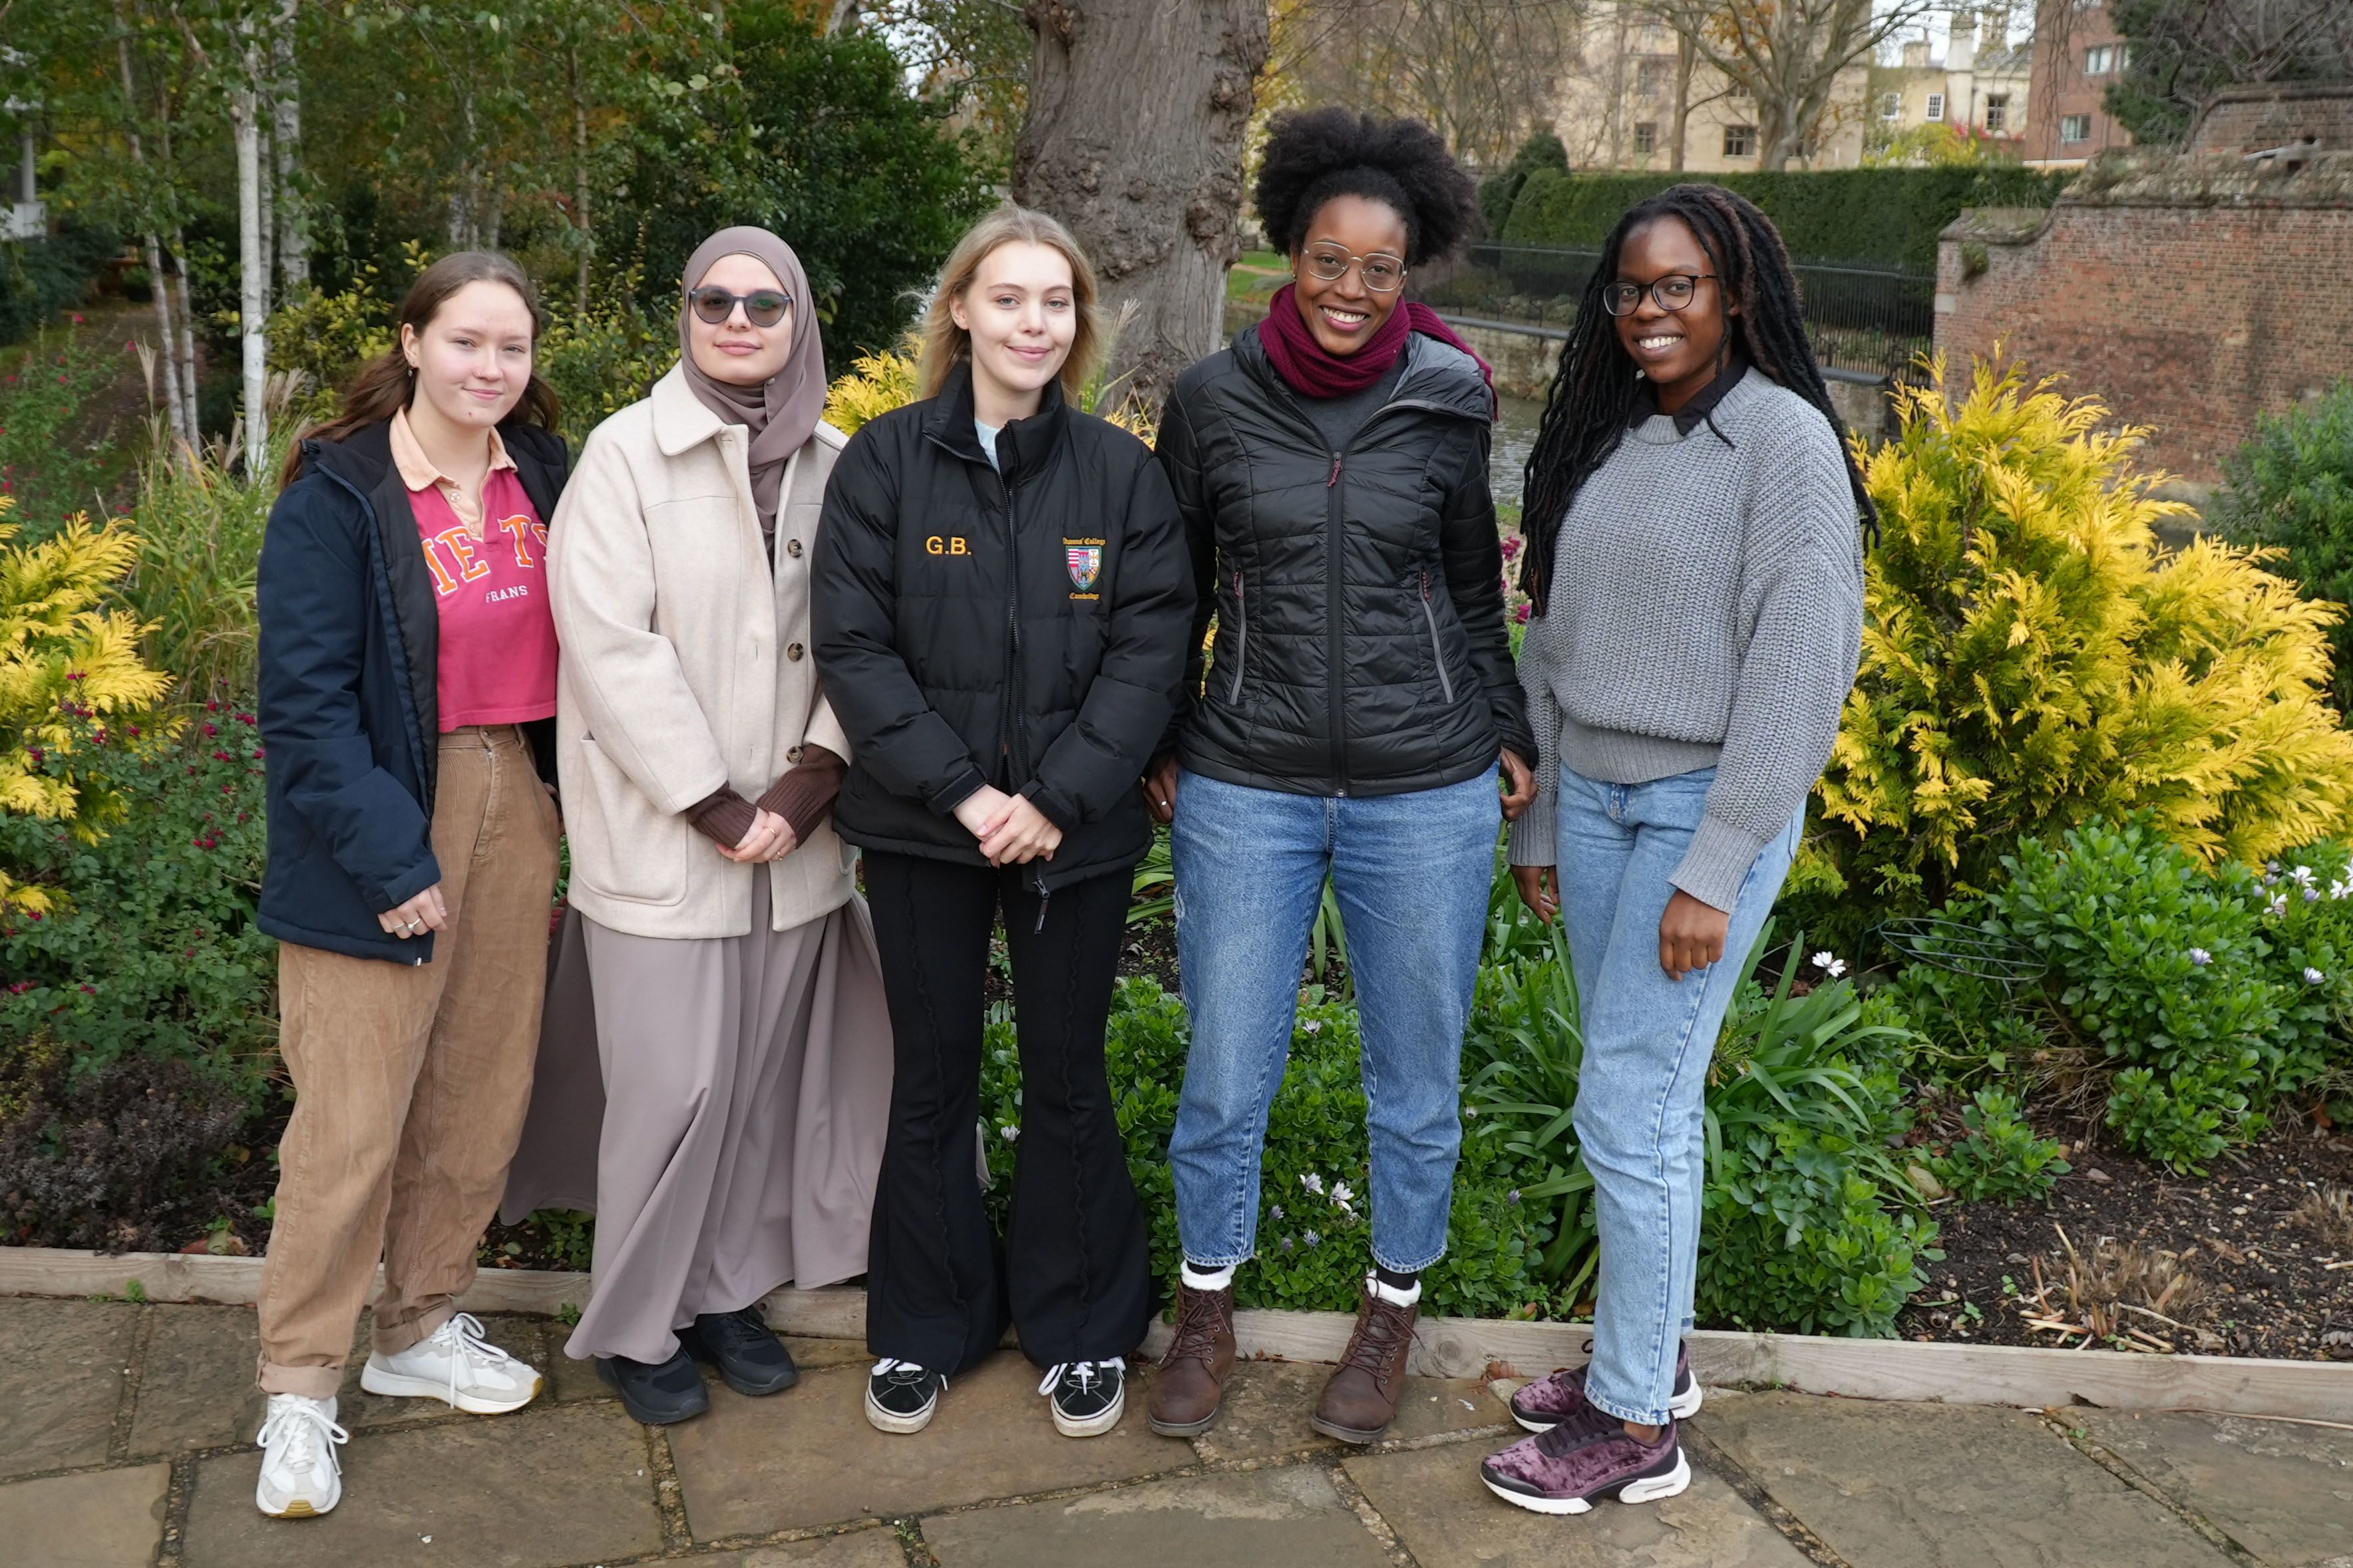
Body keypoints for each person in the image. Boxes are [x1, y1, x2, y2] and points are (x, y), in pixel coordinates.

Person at [1143, 108, 1536, 1447]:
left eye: (1383, 266)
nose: (1356, 289)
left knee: (1415, 1075)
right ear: (1288, 254)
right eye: (1331, 260)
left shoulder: (1450, 395)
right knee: (1223, 1068)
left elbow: (1473, 586)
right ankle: (1204, 1314)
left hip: (1423, 789)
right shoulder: (1207, 401)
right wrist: (1158, 739)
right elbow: (1169, 593)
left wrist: (1506, 725)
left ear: (1409, 267)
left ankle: (1387, 1317)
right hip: (1245, 781)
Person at [1478, 183, 1869, 1515]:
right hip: (1589, 801)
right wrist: (1536, 815)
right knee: (1645, 1098)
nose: (1649, 312)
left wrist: (1716, 862)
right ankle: (1653, 1354)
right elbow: (1556, 638)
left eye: (1678, 287)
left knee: (1627, 1104)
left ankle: (1636, 1421)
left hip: (1701, 813)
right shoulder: (1615, 441)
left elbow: (1798, 673)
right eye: (1630, 291)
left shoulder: (1784, 444)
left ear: (1738, 293)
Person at [811, 205, 1192, 1440]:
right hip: (926, 832)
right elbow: (855, 650)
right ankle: (927, 1326)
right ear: (962, 311)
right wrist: (969, 794)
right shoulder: (884, 464)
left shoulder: (1121, 475)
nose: (1036, 322)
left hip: (1072, 842)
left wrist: (1055, 800)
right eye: (1010, 297)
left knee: (1069, 1079)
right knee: (932, 1081)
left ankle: (1083, 1330)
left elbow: (1151, 652)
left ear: (1076, 325)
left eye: (1057, 302)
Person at [536, 226, 893, 1427]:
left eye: (764, 303)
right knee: (672, 1089)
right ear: (684, 314)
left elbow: (874, 635)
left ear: (801, 320)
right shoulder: (625, 455)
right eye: (713, 300)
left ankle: (728, 1288)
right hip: (668, 838)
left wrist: (811, 782)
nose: (737, 321)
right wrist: (715, 800)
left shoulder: (845, 464)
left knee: (755, 1084)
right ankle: (639, 1321)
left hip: (796, 844)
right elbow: (607, 642)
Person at [251, 250, 569, 1518]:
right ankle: (301, 1386)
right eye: (467, 342)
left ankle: (416, 1328)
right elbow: (306, 706)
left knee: (477, 1095)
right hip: (385, 807)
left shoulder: (543, 472)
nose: (489, 368)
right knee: (350, 1121)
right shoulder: (339, 492)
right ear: (414, 341)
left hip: (518, 802)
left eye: (513, 348)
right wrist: (393, 857)